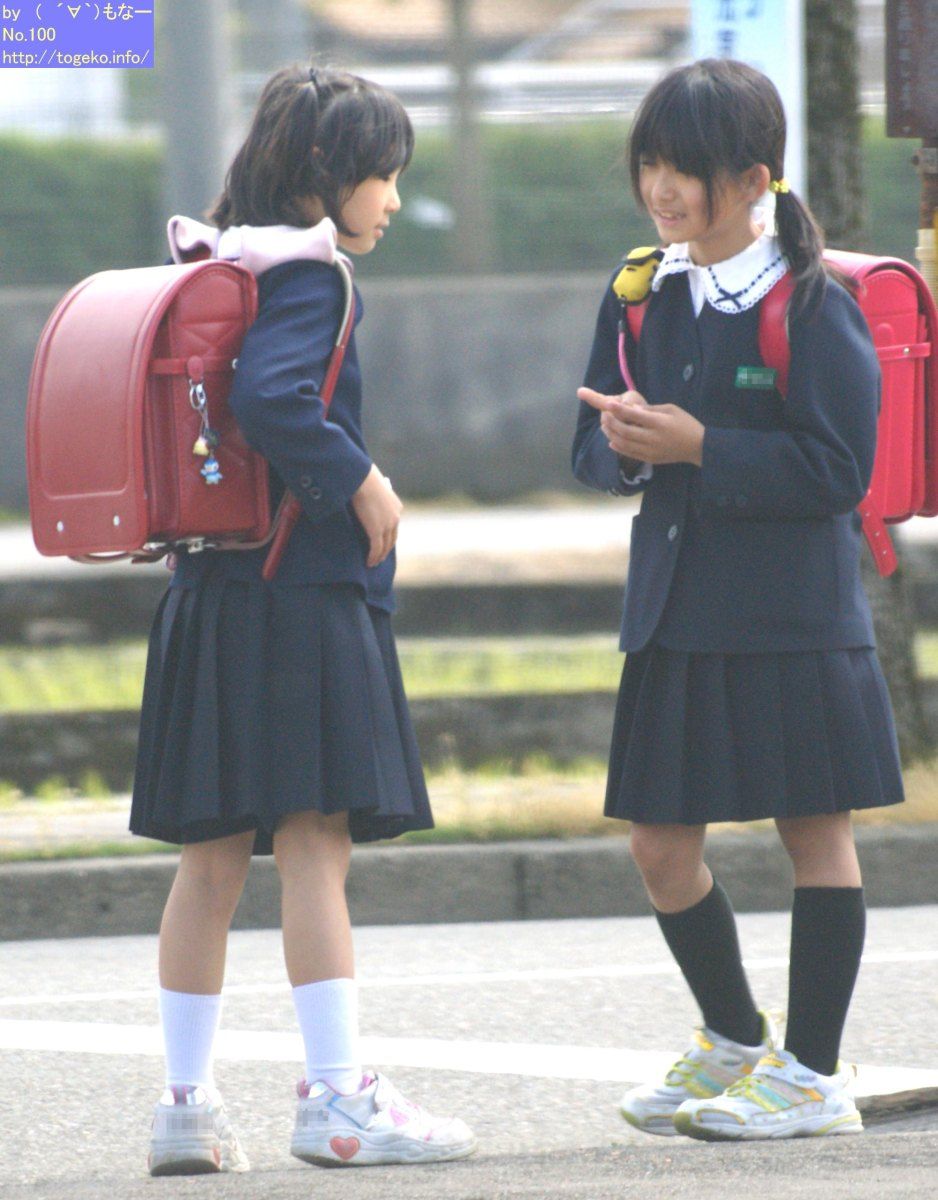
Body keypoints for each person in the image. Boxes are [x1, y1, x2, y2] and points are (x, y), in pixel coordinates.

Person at [130, 64, 476, 1175]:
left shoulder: (218, 260)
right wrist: (360, 480)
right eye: (384, 176)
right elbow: (273, 397)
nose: (392, 200)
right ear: (327, 174)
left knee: (210, 859)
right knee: (315, 843)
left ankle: (185, 1106)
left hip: (211, 590)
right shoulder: (310, 274)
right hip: (301, 599)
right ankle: (338, 1097)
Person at [573, 58, 904, 1141]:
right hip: (675, 608)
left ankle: (811, 1076)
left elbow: (838, 472)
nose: (662, 190)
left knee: (815, 833)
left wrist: (701, 446)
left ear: (755, 178)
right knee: (658, 847)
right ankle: (730, 1037)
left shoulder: (810, 302)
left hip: (792, 615)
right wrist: (625, 449)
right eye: (650, 166)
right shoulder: (640, 290)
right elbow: (590, 446)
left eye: (687, 170)